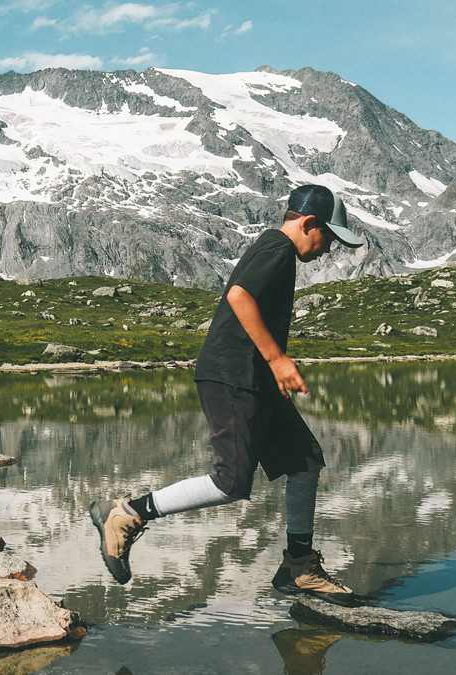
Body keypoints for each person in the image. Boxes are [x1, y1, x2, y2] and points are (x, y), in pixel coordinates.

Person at [89, 184, 366, 605]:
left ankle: (299, 567)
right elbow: (239, 296)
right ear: (309, 223)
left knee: (305, 460)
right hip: (234, 377)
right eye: (327, 237)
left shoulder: (277, 251)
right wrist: (277, 360)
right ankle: (127, 514)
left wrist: (272, 375)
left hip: (254, 380)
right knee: (232, 482)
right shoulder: (277, 248)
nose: (328, 248)